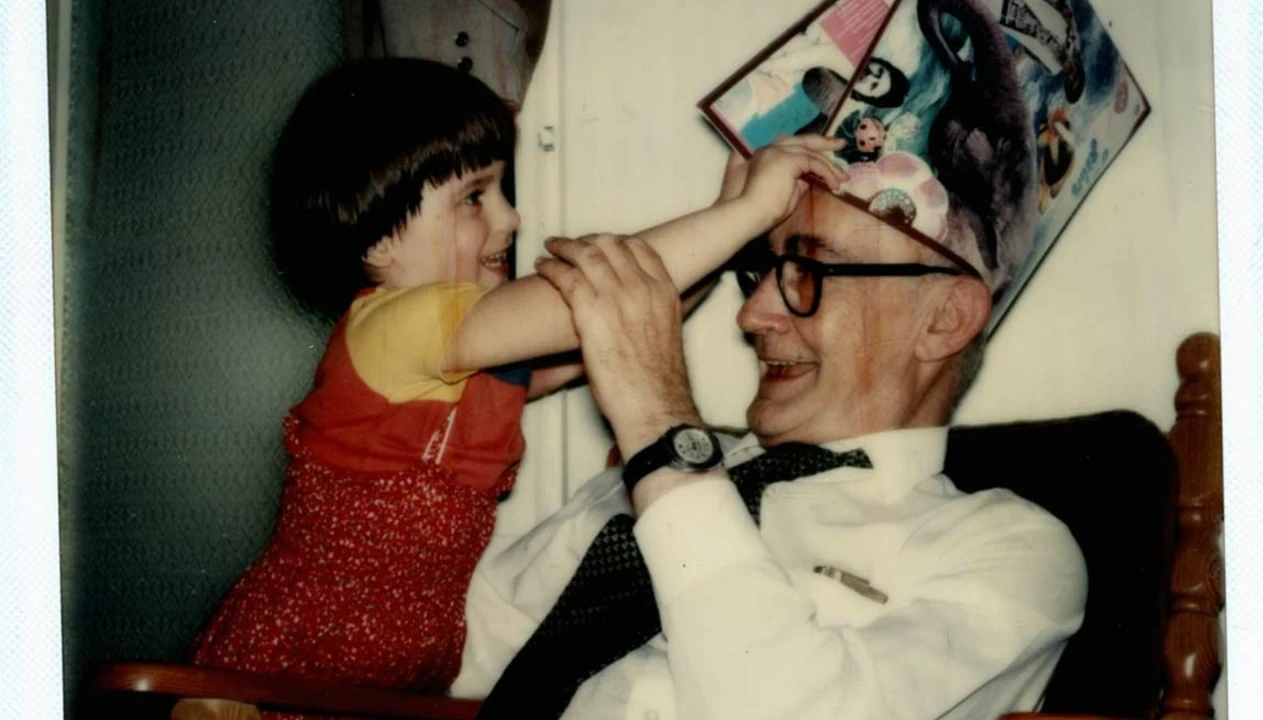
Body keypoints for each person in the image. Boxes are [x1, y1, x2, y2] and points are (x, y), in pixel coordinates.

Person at [189, 56, 846, 705]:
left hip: (384, 682)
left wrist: (729, 216)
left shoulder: (460, 357)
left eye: (502, 191)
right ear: (377, 239)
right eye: (474, 197)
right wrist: (752, 210)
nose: (510, 219)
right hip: (284, 677)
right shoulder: (395, 325)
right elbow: (589, 299)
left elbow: (624, 319)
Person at [449, 164, 1088, 719]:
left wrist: (662, 429)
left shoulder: (1010, 551)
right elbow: (448, 659)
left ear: (945, 319)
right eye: (761, 270)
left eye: (809, 271)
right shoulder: (642, 482)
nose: (752, 314)